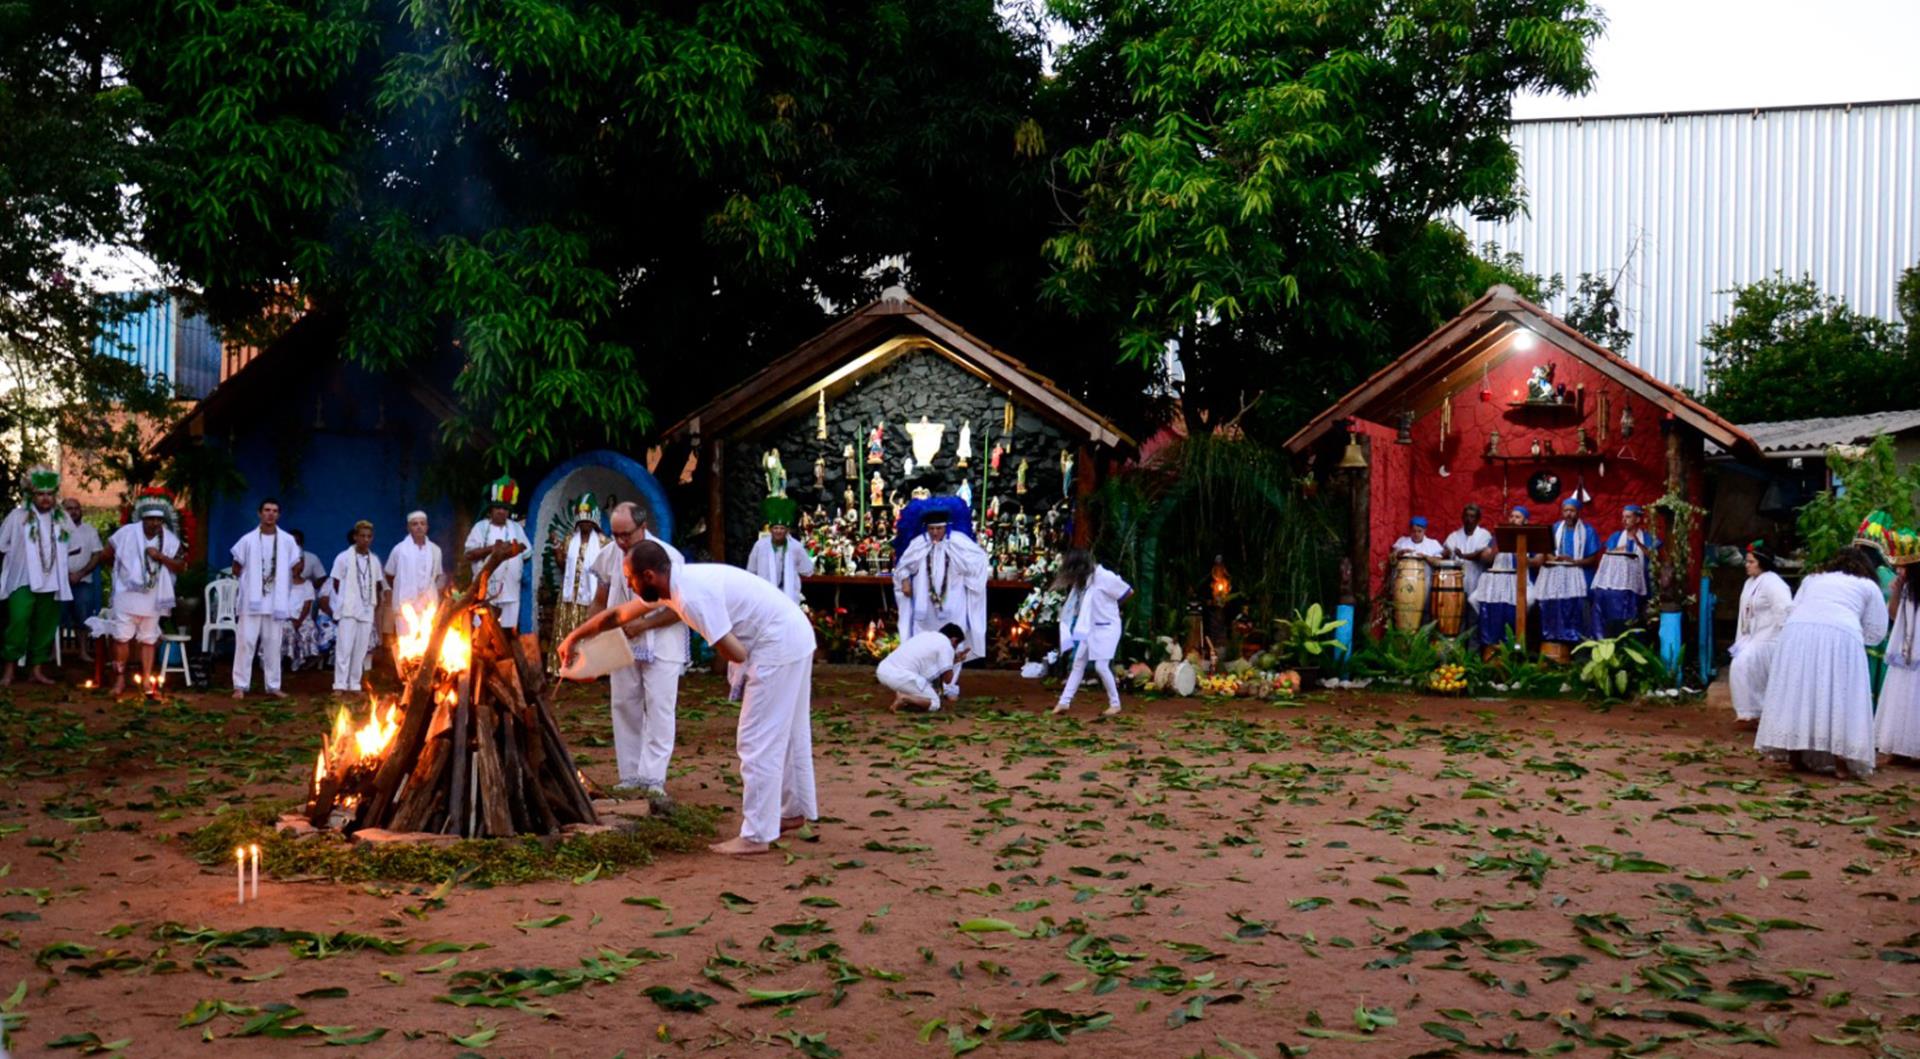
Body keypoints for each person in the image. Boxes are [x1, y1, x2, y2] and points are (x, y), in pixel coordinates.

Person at [561, 541, 816, 856]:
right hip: (790, 634)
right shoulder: (675, 582)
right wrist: (575, 637)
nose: (627, 585)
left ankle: (757, 834)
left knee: (756, 739)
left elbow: (736, 652)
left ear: (650, 575)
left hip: (779, 642)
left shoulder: (691, 597)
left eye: (630, 578)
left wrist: (735, 655)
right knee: (785, 732)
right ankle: (790, 811)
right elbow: (617, 615)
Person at [1756, 544, 1888, 779]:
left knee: (1800, 691)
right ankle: (1840, 764)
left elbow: (1792, 609)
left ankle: (1795, 756)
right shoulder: (1868, 585)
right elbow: (1876, 631)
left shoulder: (1812, 579)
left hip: (1797, 633)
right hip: (1841, 634)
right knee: (1839, 694)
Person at [589, 502, 688, 807]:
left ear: (642, 527)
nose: (620, 541)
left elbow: (682, 610)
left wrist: (644, 624)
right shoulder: (608, 555)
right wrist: (590, 634)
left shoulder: (668, 557)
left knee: (659, 708)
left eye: (625, 535)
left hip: (663, 643)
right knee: (624, 704)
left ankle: (653, 778)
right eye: (615, 534)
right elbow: (601, 598)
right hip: (622, 643)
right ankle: (630, 775)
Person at [892, 505, 989, 694]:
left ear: (947, 527)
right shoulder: (920, 543)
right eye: (931, 529)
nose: (935, 533)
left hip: (954, 604)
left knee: (953, 642)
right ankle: (924, 684)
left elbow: (980, 561)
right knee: (924, 644)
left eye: (939, 529)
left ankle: (949, 685)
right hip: (925, 606)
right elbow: (903, 565)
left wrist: (968, 577)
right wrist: (904, 580)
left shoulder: (959, 542)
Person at [99, 496, 186, 696]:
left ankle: (146, 681)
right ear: (142, 519)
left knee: (148, 639)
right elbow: (105, 555)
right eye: (150, 519)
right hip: (126, 595)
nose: (154, 523)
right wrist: (123, 575)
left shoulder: (170, 540)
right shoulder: (126, 533)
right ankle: (120, 680)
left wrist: (160, 557)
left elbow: (181, 566)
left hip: (153, 597)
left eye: (158, 519)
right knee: (121, 638)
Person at [1, 467, 78, 686]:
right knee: (18, 622)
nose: (46, 498)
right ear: (31, 495)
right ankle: (9, 671)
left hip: (51, 581)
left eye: (49, 493)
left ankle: (36, 670)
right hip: (22, 580)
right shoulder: (17, 517)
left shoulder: (62, 518)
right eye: (41, 493)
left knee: (45, 626)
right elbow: (1, 545)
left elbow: (71, 546)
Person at [1050, 550, 1134, 716]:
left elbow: (1127, 592)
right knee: (1078, 663)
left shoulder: (1105, 577)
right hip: (1090, 628)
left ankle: (1115, 704)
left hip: (1107, 627)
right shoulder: (1084, 582)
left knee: (1101, 666)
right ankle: (1064, 702)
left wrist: (1110, 608)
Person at [230, 497, 298, 698]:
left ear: (279, 515)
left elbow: (296, 565)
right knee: (245, 643)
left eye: (275, 511)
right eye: (267, 510)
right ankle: (240, 686)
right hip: (251, 602)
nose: (270, 514)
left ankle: (273, 685)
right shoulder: (247, 539)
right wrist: (253, 580)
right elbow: (236, 567)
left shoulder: (287, 540)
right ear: (259, 513)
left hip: (275, 602)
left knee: (273, 644)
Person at [1728, 543, 1791, 727]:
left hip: (1771, 637)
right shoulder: (1750, 583)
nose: (1747, 565)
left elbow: (1785, 610)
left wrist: (1785, 639)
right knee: (1740, 665)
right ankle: (1750, 712)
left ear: (1762, 563)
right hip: (1753, 637)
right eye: (1746, 562)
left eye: (1751, 562)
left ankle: (1759, 712)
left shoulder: (1774, 583)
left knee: (1744, 665)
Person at [548, 494, 607, 673]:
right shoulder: (569, 540)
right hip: (569, 597)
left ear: (595, 523)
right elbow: (563, 566)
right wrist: (557, 549)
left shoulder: (604, 543)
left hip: (592, 597)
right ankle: (566, 667)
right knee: (567, 632)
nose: (584, 525)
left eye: (588, 522)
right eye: (581, 522)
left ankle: (592, 669)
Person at [463, 476, 530, 631]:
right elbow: (469, 555)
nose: (501, 511)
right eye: (498, 508)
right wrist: (493, 549)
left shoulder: (516, 528)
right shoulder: (481, 527)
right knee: (483, 634)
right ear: (490, 509)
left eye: (505, 508)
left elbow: (527, 555)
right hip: (485, 594)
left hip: (511, 593)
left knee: (507, 635)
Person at [326, 520, 385, 693]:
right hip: (348, 609)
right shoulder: (343, 557)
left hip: (367, 609)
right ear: (355, 537)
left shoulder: (374, 560)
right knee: (344, 648)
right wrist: (348, 599)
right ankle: (339, 684)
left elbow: (378, 584)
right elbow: (336, 583)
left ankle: (354, 684)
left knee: (360, 649)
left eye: (369, 536)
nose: (365, 540)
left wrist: (372, 604)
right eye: (362, 536)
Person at [1469, 505, 1537, 650]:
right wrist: (1495, 549)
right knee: (1473, 599)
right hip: (1498, 583)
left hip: (1521, 581)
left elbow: (1538, 560)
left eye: (1517, 517)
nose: (1513, 519)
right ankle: (1492, 629)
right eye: (1512, 516)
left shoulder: (1530, 538)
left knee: (1529, 601)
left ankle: (1517, 638)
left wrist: (1524, 558)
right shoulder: (1497, 538)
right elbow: (1486, 558)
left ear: (1525, 521)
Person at [1534, 498, 1599, 646]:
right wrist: (1555, 558)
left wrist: (1574, 562)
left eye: (1572, 511)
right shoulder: (1556, 528)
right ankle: (1554, 641)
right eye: (1565, 511)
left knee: (1581, 605)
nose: (1568, 514)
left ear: (1578, 512)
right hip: (1557, 575)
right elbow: (1547, 551)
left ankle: (1580, 645)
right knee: (1551, 602)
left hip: (1581, 575)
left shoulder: (1588, 531)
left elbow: (1592, 559)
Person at [1592, 504, 1660, 638]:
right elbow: (1608, 555)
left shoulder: (1647, 538)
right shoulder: (1616, 537)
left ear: (1637, 519)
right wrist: (1620, 548)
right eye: (1623, 517)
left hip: (1641, 584)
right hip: (1619, 587)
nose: (1624, 520)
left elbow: (1654, 557)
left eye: (1628, 517)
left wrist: (1639, 544)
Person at [1877, 556, 1920, 764]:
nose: (1899, 572)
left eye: (1903, 568)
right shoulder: (1905, 589)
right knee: (1903, 695)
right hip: (1905, 651)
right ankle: (1900, 747)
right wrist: (1896, 590)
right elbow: (1893, 614)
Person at [383, 510, 444, 650]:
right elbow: (389, 574)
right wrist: (402, 589)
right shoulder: (398, 550)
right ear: (408, 528)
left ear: (427, 527)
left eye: (422, 524)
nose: (419, 527)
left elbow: (437, 575)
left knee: (427, 644)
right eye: (415, 524)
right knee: (406, 646)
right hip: (406, 605)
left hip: (427, 605)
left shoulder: (435, 550)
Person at [877, 623, 968, 713]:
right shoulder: (947, 645)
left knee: (925, 685)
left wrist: (954, 659)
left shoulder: (925, 635)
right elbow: (948, 679)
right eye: (957, 645)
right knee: (935, 703)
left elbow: (932, 667)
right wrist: (955, 660)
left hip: (883, 670)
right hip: (902, 676)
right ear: (954, 640)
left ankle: (909, 698)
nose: (955, 649)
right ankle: (905, 698)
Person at [746, 497, 814, 605]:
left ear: (787, 530)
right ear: (770, 529)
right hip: (764, 599)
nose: (778, 531)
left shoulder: (796, 547)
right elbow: (751, 571)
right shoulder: (760, 546)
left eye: (782, 528)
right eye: (775, 528)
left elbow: (807, 570)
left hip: (789, 599)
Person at [61, 497, 104, 663]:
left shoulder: (90, 530)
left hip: (83, 580)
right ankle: (53, 652)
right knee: (55, 615)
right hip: (59, 582)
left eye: (76, 508)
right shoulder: (56, 530)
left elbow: (96, 555)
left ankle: (83, 651)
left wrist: (80, 574)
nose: (73, 511)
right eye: (69, 508)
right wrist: (65, 575)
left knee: (83, 614)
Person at [1443, 504, 1496, 630]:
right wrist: (1446, 552)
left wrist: (1463, 556)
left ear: (1478, 519)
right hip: (1456, 584)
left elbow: (1480, 555)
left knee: (1473, 620)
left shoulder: (1484, 535)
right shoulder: (1454, 535)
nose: (1469, 519)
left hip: (1477, 582)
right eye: (1466, 516)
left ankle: (1473, 649)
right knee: (1457, 619)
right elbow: (1447, 550)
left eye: (1472, 517)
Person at [283, 572, 323, 672]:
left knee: (309, 629)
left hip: (303, 618)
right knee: (285, 628)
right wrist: (289, 618)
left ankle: (304, 661)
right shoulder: (282, 582)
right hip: (285, 617)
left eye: (301, 563)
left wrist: (299, 620)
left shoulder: (308, 584)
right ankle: (285, 660)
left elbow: (307, 605)